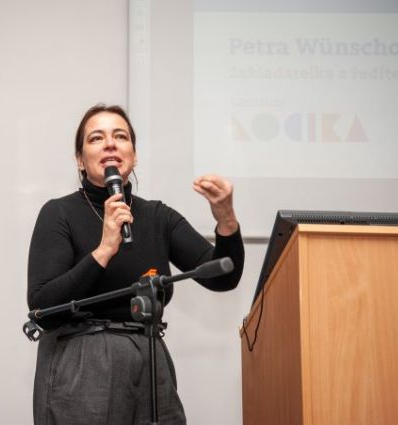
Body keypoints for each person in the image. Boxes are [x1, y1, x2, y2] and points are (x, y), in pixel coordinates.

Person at [27, 104, 244, 425]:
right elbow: (43, 306)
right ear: (80, 160)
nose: (110, 144)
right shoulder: (59, 213)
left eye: (120, 136)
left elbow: (223, 276)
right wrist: (103, 250)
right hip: (83, 361)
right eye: (96, 138)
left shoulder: (157, 216)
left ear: (134, 155)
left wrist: (226, 219)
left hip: (150, 358)